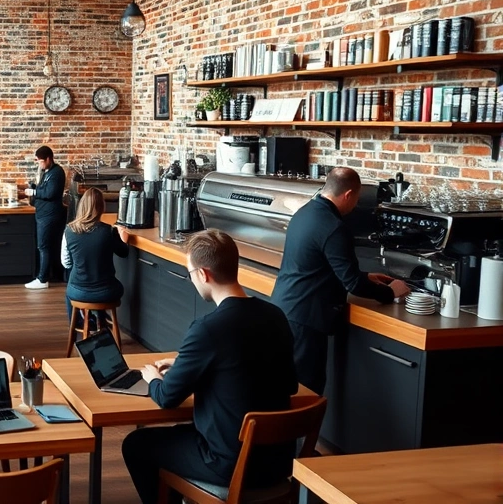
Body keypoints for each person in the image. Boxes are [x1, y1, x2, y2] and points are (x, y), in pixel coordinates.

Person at [122, 229, 299, 504]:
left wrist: (153, 377)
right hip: (278, 461)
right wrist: (190, 364)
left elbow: (167, 397)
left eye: (191, 273)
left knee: (136, 444)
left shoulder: (208, 329)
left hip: (228, 462)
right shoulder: (275, 316)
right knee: (179, 436)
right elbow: (287, 383)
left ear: (204, 274)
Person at [271, 167, 410, 395]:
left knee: (286, 388)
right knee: (307, 392)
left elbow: (320, 265)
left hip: (284, 308)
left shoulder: (305, 212)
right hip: (306, 319)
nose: (355, 204)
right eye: (356, 198)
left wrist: (366, 276)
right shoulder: (334, 227)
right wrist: (390, 292)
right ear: (348, 195)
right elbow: (353, 284)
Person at [61, 187, 129, 328]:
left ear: (82, 206)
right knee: (108, 283)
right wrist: (124, 238)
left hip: (78, 291)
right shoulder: (109, 231)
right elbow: (124, 253)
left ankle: (80, 325)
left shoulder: (69, 230)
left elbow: (66, 263)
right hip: (107, 292)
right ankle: (101, 322)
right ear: (101, 207)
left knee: (71, 287)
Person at [24, 145, 67, 289]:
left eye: (41, 161)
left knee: (44, 246)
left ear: (48, 159)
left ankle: (42, 279)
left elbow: (50, 193)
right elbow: (43, 188)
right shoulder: (47, 172)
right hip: (42, 214)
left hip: (49, 215)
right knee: (43, 246)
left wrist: (33, 192)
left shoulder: (57, 173)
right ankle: (45, 276)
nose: (40, 164)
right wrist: (33, 187)